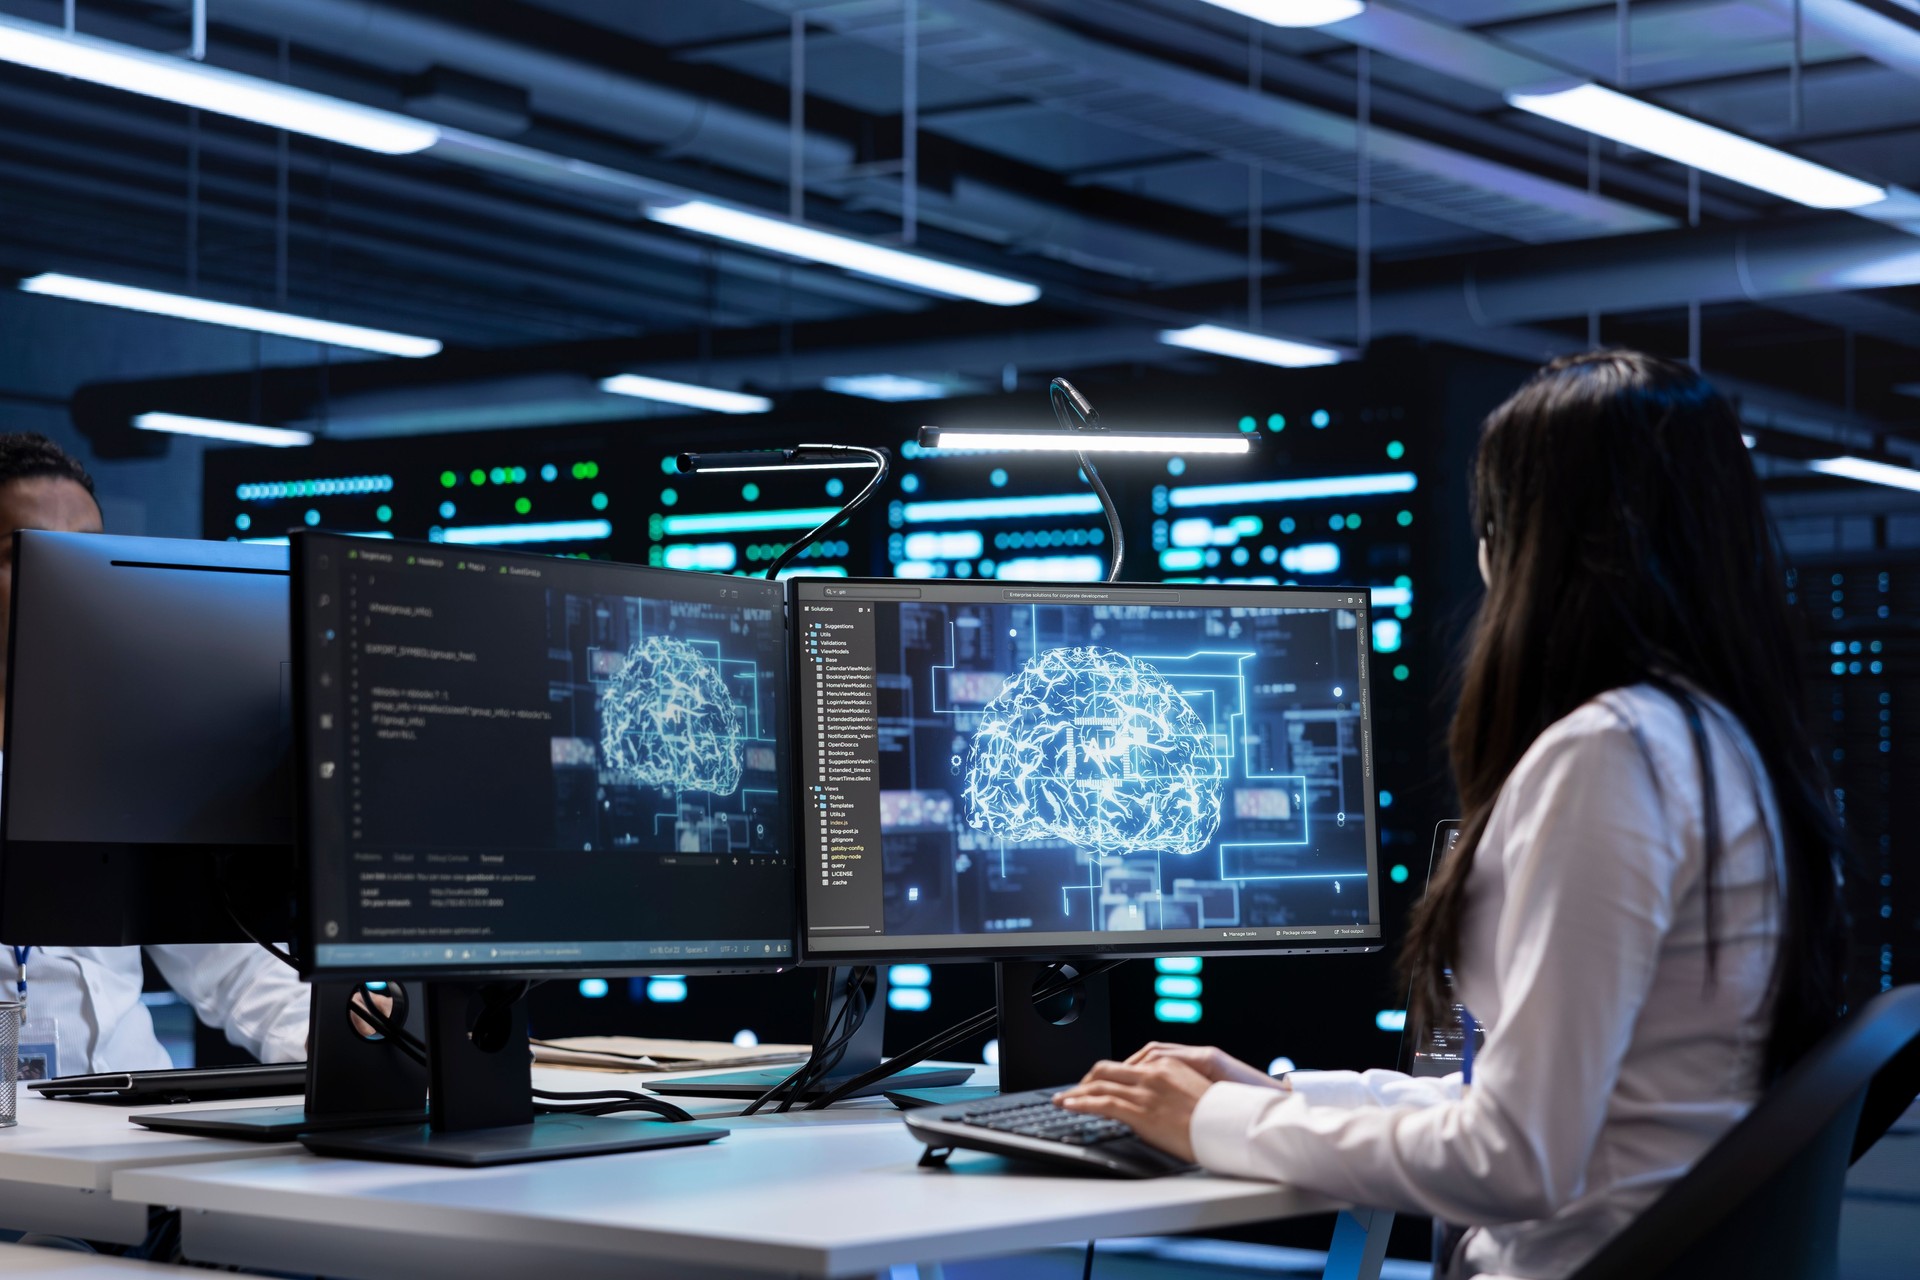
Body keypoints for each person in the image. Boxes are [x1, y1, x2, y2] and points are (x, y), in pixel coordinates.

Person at [1056, 352, 1850, 1279]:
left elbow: (1511, 1159)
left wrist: (1214, 1123)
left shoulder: (1607, 758)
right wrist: (1276, 1092)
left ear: (1524, 544)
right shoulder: (1721, 749)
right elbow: (1540, 1113)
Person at [0, 433, 309, 1072]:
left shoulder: (136, 756)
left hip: (129, 1114)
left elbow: (235, 962)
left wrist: (359, 1040)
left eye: (86, 554)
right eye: (24, 553)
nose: (66, 580)